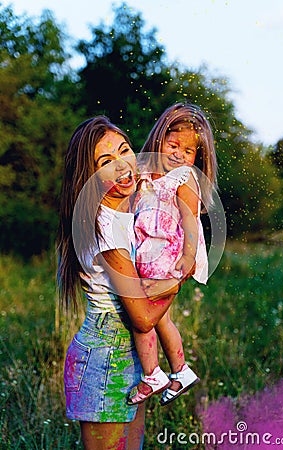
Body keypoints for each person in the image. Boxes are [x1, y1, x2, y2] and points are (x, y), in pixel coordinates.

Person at [57, 116, 183, 450]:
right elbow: (142, 317)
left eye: (124, 150)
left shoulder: (131, 210)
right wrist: (176, 279)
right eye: (105, 161)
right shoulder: (107, 227)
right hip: (104, 355)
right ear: (89, 175)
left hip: (130, 354)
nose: (122, 164)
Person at [128, 102, 217, 406]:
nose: (179, 154)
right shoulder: (146, 174)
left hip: (168, 256)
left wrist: (189, 256)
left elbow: (191, 220)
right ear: (159, 138)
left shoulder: (184, 178)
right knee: (160, 319)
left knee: (140, 315)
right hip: (148, 254)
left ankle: (153, 373)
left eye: (188, 151)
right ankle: (180, 371)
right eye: (173, 144)